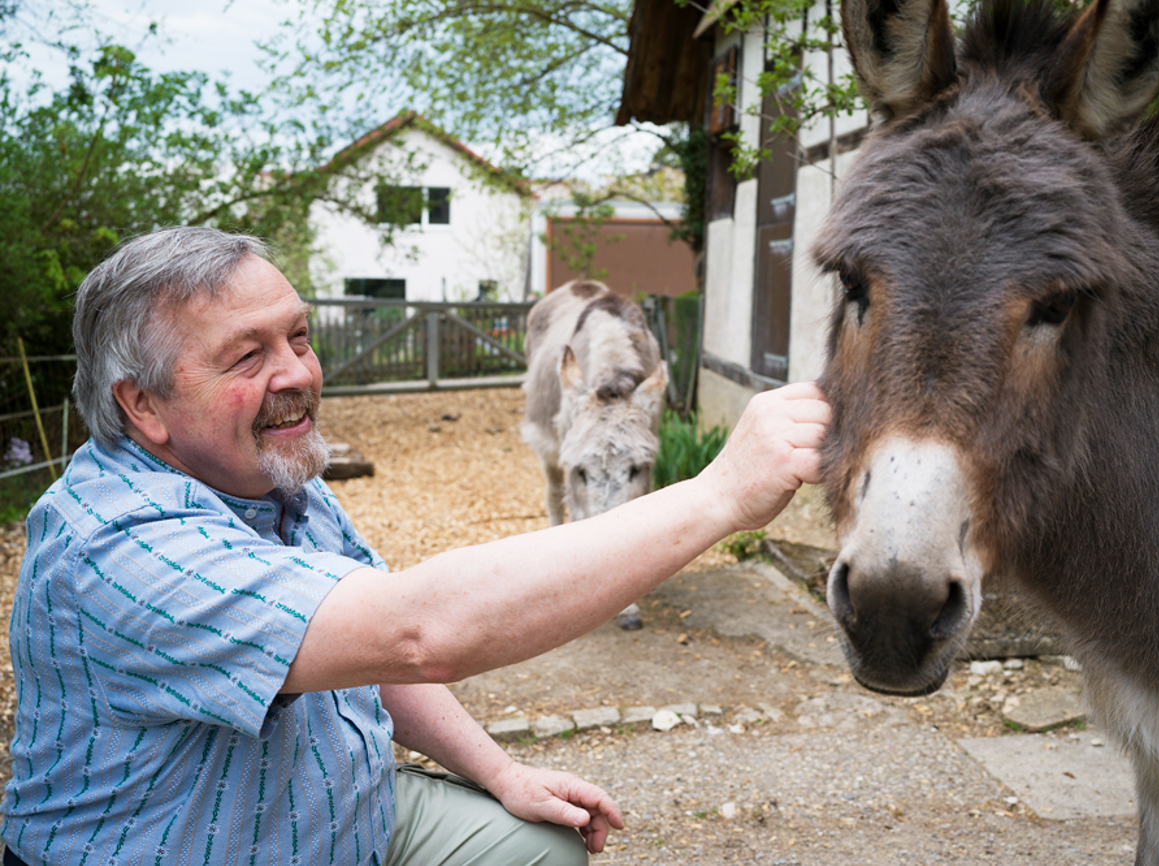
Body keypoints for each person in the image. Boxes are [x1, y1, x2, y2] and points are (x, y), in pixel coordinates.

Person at [1, 226, 828, 866]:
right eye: (247, 355)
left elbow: (380, 662)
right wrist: (719, 495)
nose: (297, 373)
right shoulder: (115, 546)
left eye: (298, 337)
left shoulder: (274, 474)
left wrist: (502, 774)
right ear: (143, 407)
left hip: (337, 818)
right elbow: (417, 634)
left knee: (540, 845)